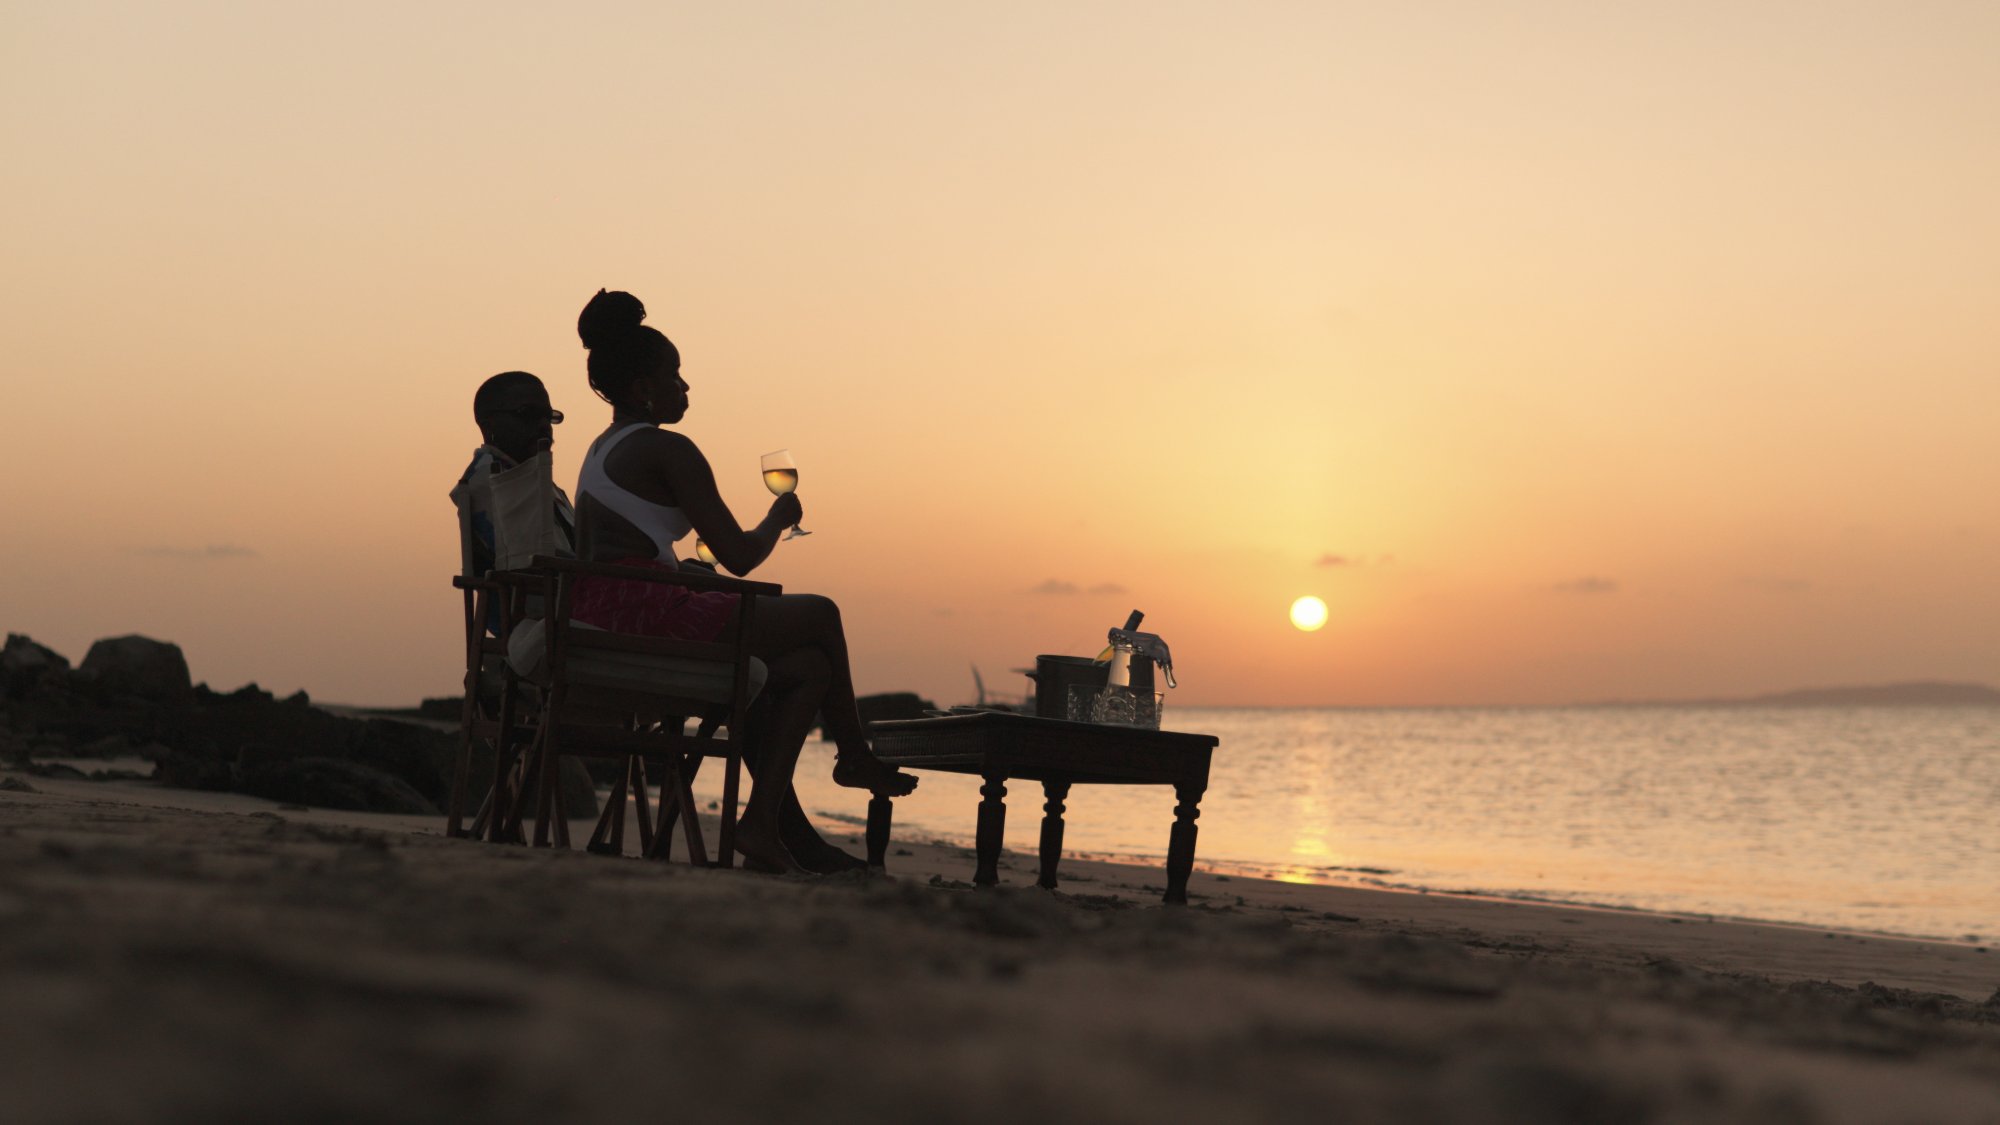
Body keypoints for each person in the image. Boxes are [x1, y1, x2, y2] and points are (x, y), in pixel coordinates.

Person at [570, 288, 915, 874]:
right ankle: (853, 755)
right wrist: (779, 518)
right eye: (674, 376)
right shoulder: (668, 449)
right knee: (822, 613)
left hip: (609, 609)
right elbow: (741, 558)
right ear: (642, 388)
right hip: (641, 615)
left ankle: (761, 824)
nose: (686, 388)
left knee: (810, 668)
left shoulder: (606, 447)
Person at [450, 372, 575, 626]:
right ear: (489, 425)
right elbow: (533, 564)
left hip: (569, 601)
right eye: (528, 414)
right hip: (544, 620)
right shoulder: (492, 481)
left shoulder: (529, 476)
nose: (543, 425)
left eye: (549, 417)